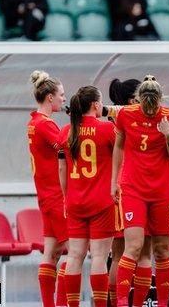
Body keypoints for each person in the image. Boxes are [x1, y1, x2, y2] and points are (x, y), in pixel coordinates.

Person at [112, 75, 169, 307]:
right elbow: (119, 146)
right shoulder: (125, 114)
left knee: (161, 251)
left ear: (161, 100)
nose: (150, 111)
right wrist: (115, 181)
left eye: (154, 107)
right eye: (146, 106)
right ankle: (123, 303)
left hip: (162, 193)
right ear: (139, 100)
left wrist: (168, 134)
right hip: (133, 189)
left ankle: (161, 304)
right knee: (132, 247)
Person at [58, 86, 117, 307]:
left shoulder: (66, 132)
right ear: (95, 105)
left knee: (74, 256)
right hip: (102, 201)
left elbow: (62, 170)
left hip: (75, 202)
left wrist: (66, 198)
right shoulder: (107, 130)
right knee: (99, 257)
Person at [106, 78, 155, 307]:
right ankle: (119, 302)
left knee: (121, 253)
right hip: (129, 190)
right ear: (132, 100)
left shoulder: (118, 119)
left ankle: (117, 302)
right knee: (129, 253)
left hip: (122, 190)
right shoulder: (125, 119)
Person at [27, 70, 68, 307]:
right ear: (50, 97)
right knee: (75, 252)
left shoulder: (33, 123)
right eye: (61, 95)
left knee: (51, 252)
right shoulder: (45, 125)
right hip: (56, 196)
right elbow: (65, 149)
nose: (64, 99)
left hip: (45, 196)